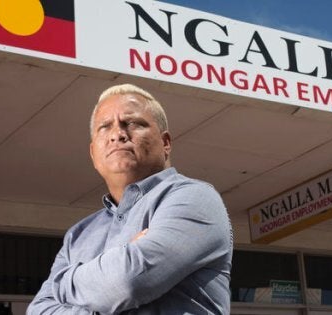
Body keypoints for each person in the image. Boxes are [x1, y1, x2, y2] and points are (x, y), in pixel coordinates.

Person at [27, 84, 233, 314]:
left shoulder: (195, 198)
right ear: (93, 153)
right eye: (105, 127)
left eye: (132, 123)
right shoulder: (78, 235)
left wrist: (63, 282)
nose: (118, 134)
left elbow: (129, 282)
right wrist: (116, 268)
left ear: (165, 143)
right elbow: (39, 310)